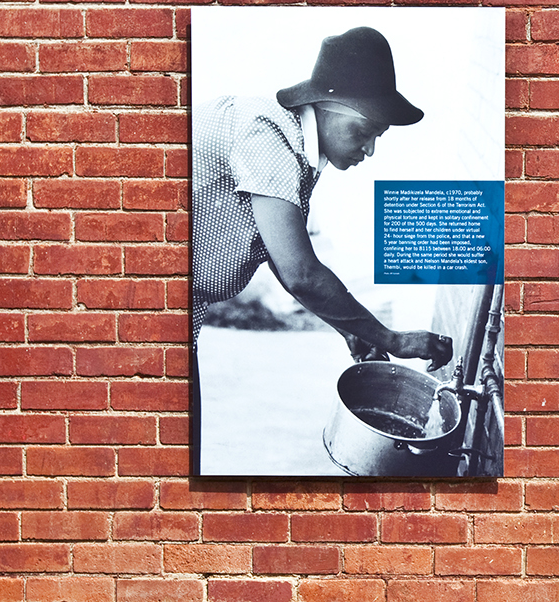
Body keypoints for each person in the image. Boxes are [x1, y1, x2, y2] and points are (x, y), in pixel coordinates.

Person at [191, 25, 454, 369]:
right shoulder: (267, 136)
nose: (370, 149)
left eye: (379, 136)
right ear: (327, 107)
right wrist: (393, 340)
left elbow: (281, 255)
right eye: (363, 131)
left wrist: (352, 330)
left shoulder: (297, 150)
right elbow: (300, 272)